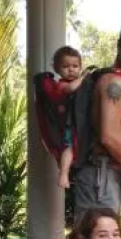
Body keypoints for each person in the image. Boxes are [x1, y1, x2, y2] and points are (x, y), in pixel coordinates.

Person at [72, 18, 121, 221]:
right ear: (119, 45)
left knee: (102, 237)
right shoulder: (115, 83)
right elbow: (108, 137)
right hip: (99, 178)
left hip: (105, 177)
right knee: (96, 237)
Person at [44, 46, 87, 189]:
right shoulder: (61, 84)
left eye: (75, 66)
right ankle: (63, 174)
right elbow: (71, 88)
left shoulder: (80, 84)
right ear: (57, 69)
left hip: (78, 124)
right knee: (69, 148)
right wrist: (84, 77)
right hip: (69, 125)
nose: (71, 70)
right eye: (66, 66)